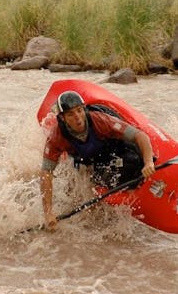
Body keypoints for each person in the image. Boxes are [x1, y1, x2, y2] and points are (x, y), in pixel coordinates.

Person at [39, 90, 155, 230]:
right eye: (71, 114)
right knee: (94, 182)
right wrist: (48, 213)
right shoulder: (56, 137)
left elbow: (140, 136)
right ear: (62, 118)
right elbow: (46, 173)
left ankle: (133, 186)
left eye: (79, 111)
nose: (78, 118)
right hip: (90, 159)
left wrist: (148, 162)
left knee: (131, 162)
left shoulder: (100, 120)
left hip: (114, 149)